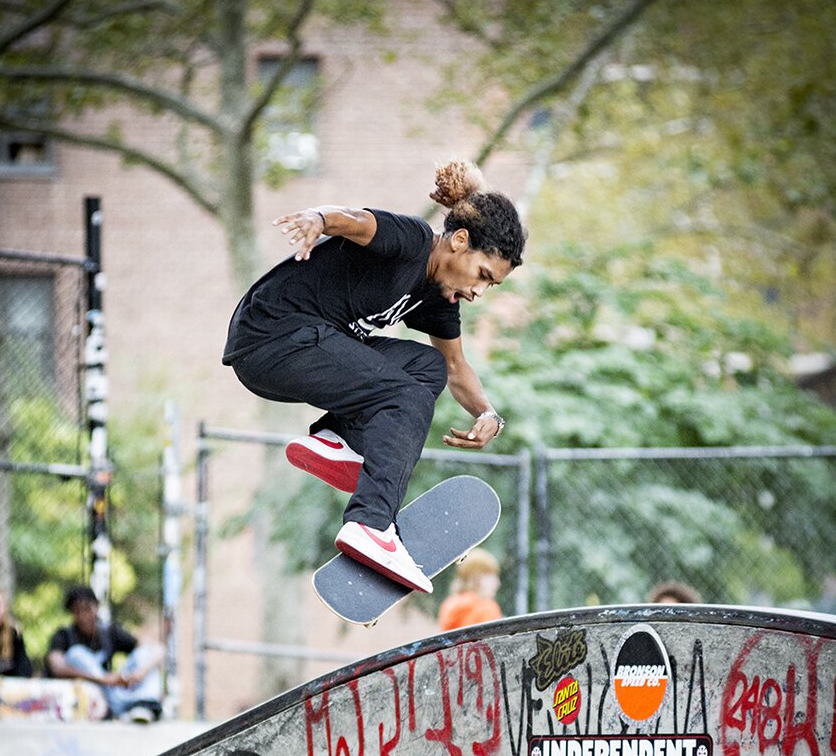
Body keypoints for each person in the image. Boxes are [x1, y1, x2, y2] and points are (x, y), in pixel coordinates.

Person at [222, 160, 526, 594]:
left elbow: (456, 368)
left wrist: (489, 414)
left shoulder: (439, 298)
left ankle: (337, 440)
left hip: (301, 346)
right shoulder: (413, 241)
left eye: (491, 286)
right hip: (273, 336)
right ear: (459, 242)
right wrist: (319, 219)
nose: (478, 292)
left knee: (427, 368)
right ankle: (371, 525)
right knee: (404, 397)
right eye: (482, 275)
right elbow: (357, 222)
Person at [45, 585, 164, 722]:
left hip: (114, 693)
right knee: (76, 654)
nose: (83, 616)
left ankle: (143, 705)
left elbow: (157, 650)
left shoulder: (108, 632)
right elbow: (57, 667)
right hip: (91, 695)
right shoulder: (64, 635)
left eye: (87, 609)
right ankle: (120, 708)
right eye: (78, 611)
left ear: (96, 608)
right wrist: (103, 678)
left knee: (144, 654)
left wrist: (140, 672)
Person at [438, 548, 502, 631]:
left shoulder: (449, 604)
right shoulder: (486, 607)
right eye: (491, 575)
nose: (497, 583)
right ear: (478, 577)